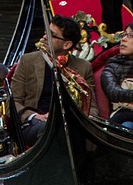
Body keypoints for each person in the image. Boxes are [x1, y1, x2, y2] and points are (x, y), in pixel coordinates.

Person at [9, 15, 93, 148]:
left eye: (51, 34)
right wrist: (34, 116)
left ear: (67, 44)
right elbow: (12, 101)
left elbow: (91, 107)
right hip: (34, 123)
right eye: (46, 32)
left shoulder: (84, 67)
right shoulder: (27, 61)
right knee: (50, 130)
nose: (44, 37)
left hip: (71, 124)